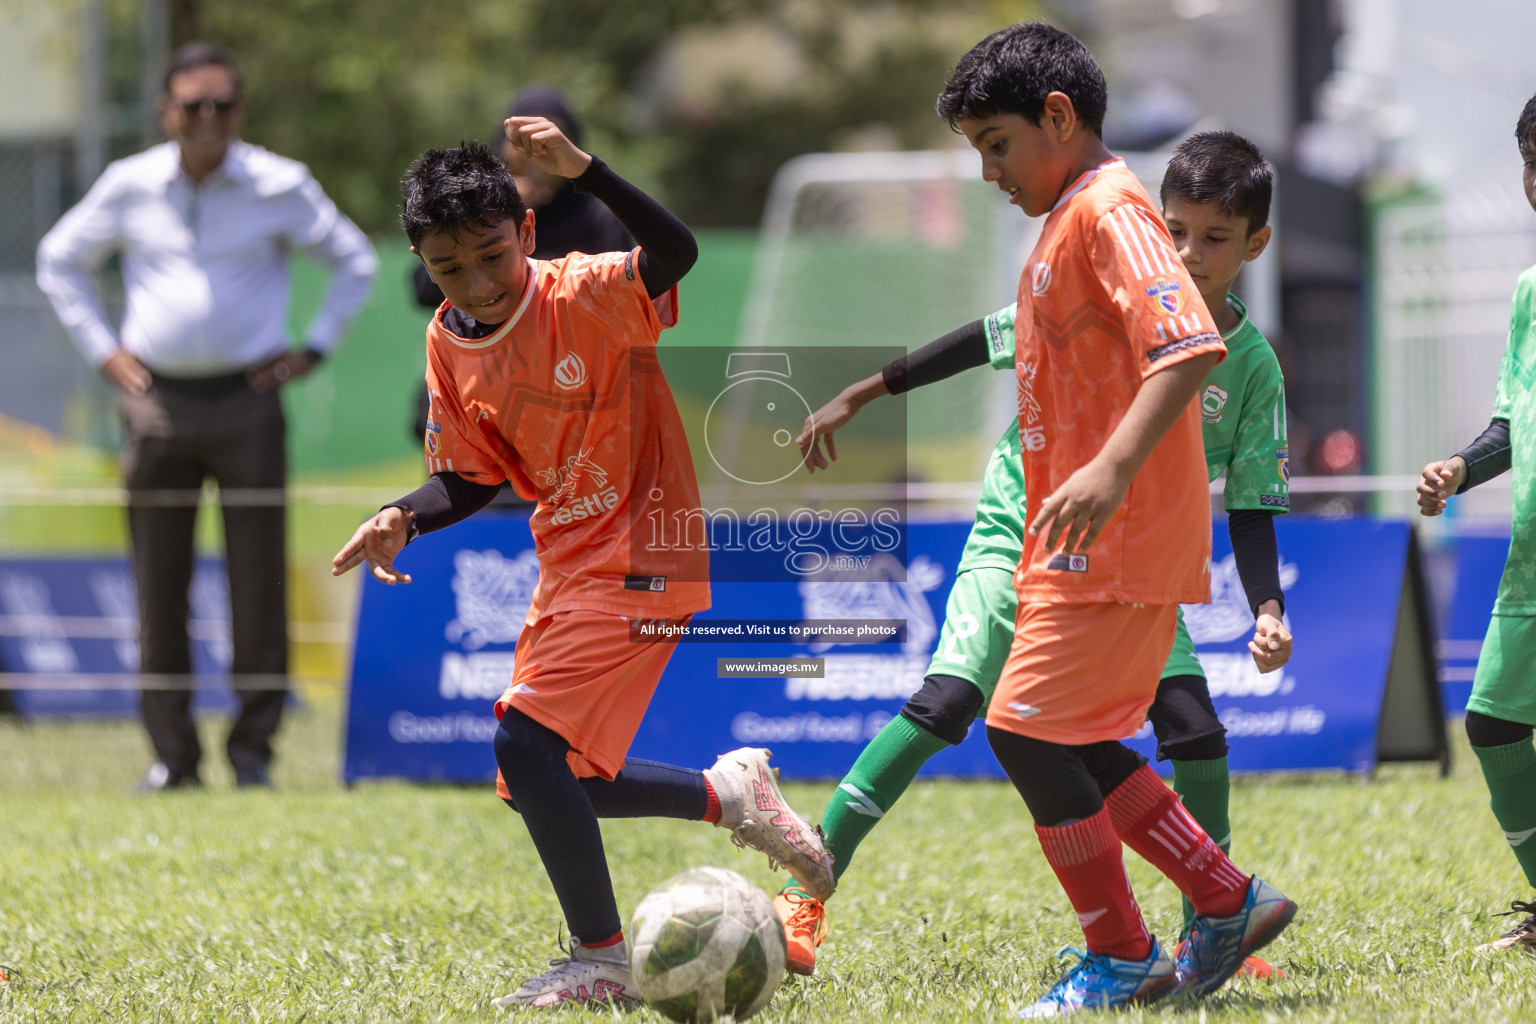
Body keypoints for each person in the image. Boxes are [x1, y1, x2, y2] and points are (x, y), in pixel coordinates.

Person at [331, 125, 834, 1010]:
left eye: (494, 255)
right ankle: (727, 793)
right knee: (547, 781)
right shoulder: (449, 342)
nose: (480, 285)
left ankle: (600, 959)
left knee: (526, 743)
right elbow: (469, 476)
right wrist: (402, 516)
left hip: (648, 544)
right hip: (569, 559)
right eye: (452, 269)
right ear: (423, 265)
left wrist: (589, 172)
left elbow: (675, 251)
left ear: (527, 231)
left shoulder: (592, 290)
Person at [778, 129, 1294, 984]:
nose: (1188, 252)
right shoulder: (1101, 285)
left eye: (1214, 237)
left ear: (1255, 244)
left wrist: (1268, 607)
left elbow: (1252, 505)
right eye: (1175, 230)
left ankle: (1212, 927)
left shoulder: (1249, 367)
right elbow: (980, 340)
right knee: (948, 704)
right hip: (1022, 527)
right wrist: (864, 392)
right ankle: (807, 894)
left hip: (1126, 557)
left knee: (1189, 730)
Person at [931, 24, 1291, 1014]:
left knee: (1022, 729)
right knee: (1073, 737)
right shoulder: (1067, 221)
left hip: (1116, 530)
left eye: (997, 143)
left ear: (1059, 118)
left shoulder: (1110, 210)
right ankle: (1223, 896)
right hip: (1081, 536)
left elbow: (1186, 349)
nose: (991, 170)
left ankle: (1126, 951)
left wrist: (1105, 472)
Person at [35, 42, 377, 792]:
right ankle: (173, 758)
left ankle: (253, 756)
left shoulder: (279, 183)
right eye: (193, 106)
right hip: (155, 403)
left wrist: (312, 349)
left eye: (222, 105)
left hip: (249, 400)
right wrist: (103, 352)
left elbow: (355, 258)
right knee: (158, 585)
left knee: (259, 583)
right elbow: (59, 258)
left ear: (240, 111)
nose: (208, 119)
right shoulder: (130, 184)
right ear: (166, 113)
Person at [1416, 89, 1536, 955]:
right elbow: (1512, 420)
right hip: (1530, 562)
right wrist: (1462, 468)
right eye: (1531, 163)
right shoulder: (1530, 290)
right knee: (1492, 725)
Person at [408, 86, 630, 442]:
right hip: (478, 400)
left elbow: (619, 296)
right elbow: (421, 288)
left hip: (573, 400)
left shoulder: (597, 216)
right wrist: (500, 213)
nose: (536, 154)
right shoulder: (474, 208)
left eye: (548, 140)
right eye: (523, 140)